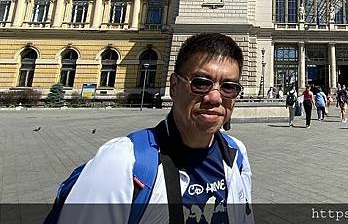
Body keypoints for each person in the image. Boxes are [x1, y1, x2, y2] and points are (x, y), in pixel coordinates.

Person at [48, 32, 253, 224]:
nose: (215, 97)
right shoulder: (123, 163)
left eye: (229, 87)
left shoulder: (237, 155)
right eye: (201, 83)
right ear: (173, 86)